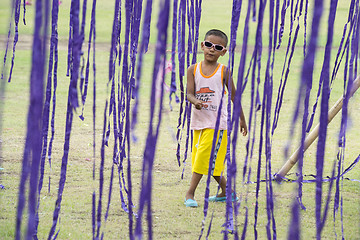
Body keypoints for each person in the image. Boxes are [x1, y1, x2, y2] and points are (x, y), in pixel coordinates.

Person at [184, 29, 248, 207]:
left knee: (203, 159)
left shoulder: (224, 71)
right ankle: (228, 192)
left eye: (218, 47)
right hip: (198, 123)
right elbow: (189, 94)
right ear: (202, 46)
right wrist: (195, 101)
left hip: (217, 124)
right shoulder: (192, 70)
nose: (212, 49)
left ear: (223, 51)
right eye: (209, 45)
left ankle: (190, 193)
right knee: (208, 162)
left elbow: (235, 97)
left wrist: (242, 119)